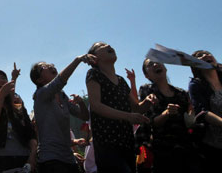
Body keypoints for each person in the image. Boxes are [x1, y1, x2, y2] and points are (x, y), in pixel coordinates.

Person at [85, 42, 153, 173]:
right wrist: (128, 116)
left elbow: (137, 108)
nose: (108, 45)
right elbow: (96, 106)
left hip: (127, 142)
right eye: (101, 46)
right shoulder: (93, 74)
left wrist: (148, 102)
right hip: (107, 143)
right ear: (94, 58)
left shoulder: (121, 81)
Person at [30, 53, 94, 173]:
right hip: (50, 159)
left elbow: (84, 116)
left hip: (68, 158)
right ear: (39, 80)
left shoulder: (62, 95)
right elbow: (60, 80)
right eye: (43, 67)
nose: (50, 66)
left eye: (50, 64)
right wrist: (77, 60)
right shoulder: (41, 94)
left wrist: (80, 102)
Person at [138, 59, 199, 173]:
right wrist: (166, 113)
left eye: (158, 62)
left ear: (165, 68)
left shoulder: (181, 93)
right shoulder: (147, 90)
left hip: (185, 147)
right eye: (150, 65)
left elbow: (189, 120)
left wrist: (192, 110)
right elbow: (150, 122)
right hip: (162, 149)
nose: (156, 64)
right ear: (146, 75)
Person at [0, 67, 37, 172]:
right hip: (0, 161)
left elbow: (30, 132)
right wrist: (0, 95)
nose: (1, 80)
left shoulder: (17, 105)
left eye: (3, 78)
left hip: (24, 159)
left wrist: (32, 156)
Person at [188, 49, 222, 170]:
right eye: (200, 56)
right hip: (215, 147)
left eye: (207, 53)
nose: (206, 55)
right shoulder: (196, 85)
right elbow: (202, 112)